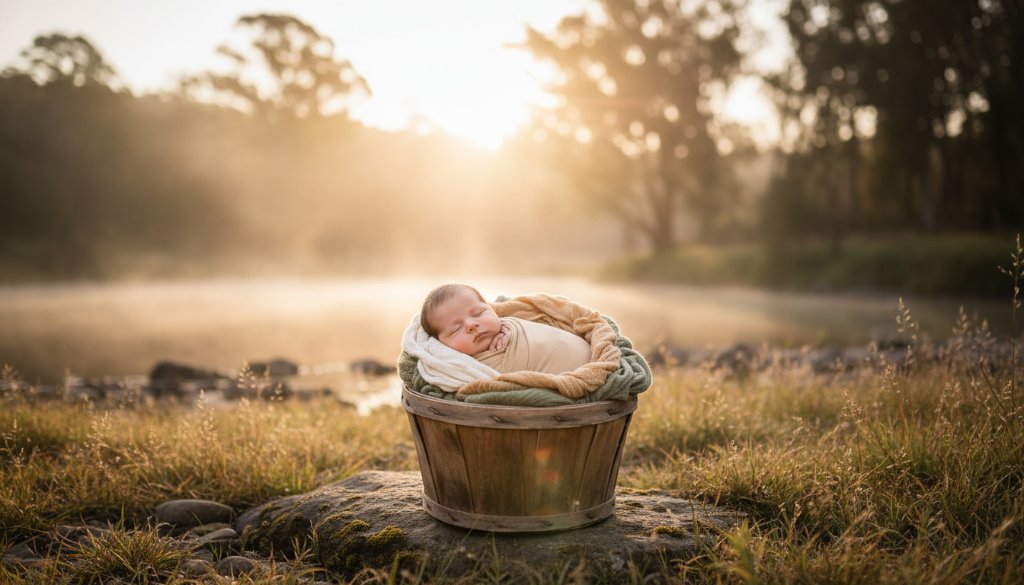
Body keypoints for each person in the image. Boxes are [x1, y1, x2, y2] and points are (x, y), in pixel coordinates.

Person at [419, 283, 593, 375]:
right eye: (456, 329)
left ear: (493, 309)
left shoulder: (513, 322)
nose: (471, 325)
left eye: (479, 313)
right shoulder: (463, 369)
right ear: (441, 346)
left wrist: (509, 328)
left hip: (590, 358)